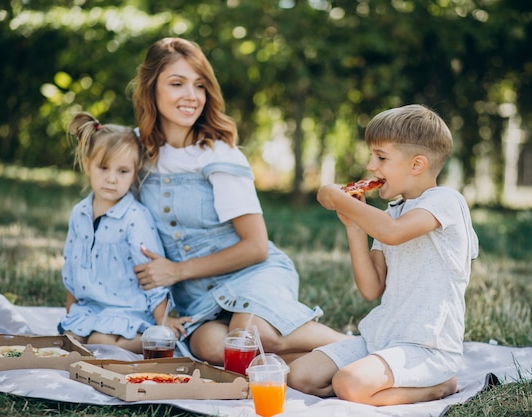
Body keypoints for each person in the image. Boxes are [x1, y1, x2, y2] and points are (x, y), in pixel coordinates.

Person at [129, 37, 348, 364]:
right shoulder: (134, 152)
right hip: (199, 301)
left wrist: (176, 271)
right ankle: (325, 364)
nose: (191, 96)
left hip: (253, 274)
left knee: (256, 335)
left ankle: (363, 348)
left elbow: (256, 246)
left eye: (200, 86)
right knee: (215, 349)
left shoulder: (219, 155)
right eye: (177, 84)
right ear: (151, 89)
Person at [287, 104, 479, 405]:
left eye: (381, 157)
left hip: (427, 347)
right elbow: (371, 288)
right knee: (299, 376)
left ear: (417, 165)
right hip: (382, 339)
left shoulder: (446, 201)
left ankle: (440, 386)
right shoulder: (392, 213)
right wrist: (354, 226)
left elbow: (392, 232)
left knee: (348, 384)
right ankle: (362, 388)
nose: (371, 166)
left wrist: (337, 197)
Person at [59, 112, 192, 354]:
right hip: (90, 308)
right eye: (103, 168)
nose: (111, 179)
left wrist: (164, 320)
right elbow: (71, 265)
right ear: (87, 165)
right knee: (69, 341)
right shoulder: (79, 213)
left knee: (101, 342)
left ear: (134, 173)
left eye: (122, 171)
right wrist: (72, 313)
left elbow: (151, 274)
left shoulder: (135, 218)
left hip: (125, 310)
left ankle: (155, 338)